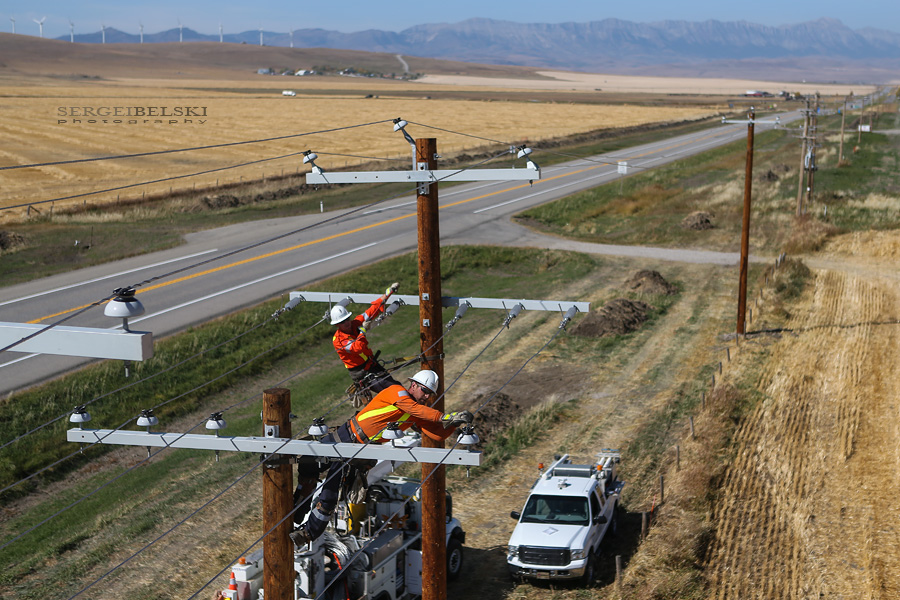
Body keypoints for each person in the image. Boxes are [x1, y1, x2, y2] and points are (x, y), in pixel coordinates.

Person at [291, 369, 473, 546]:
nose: (426, 397)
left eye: (430, 394)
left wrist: (453, 424)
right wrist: (446, 417)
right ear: (413, 385)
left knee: (329, 495)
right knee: (308, 466)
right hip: (345, 436)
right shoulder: (397, 392)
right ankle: (295, 512)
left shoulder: (414, 413)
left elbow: (436, 434)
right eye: (425, 391)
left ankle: (307, 534)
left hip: (357, 451)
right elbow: (417, 410)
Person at [330, 282, 400, 396]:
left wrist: (388, 292)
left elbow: (373, 310)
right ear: (337, 325)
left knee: (397, 388)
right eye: (342, 322)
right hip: (362, 373)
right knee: (395, 392)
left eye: (347, 319)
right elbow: (357, 348)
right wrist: (363, 331)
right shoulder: (338, 341)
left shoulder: (355, 323)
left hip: (372, 365)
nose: (346, 323)